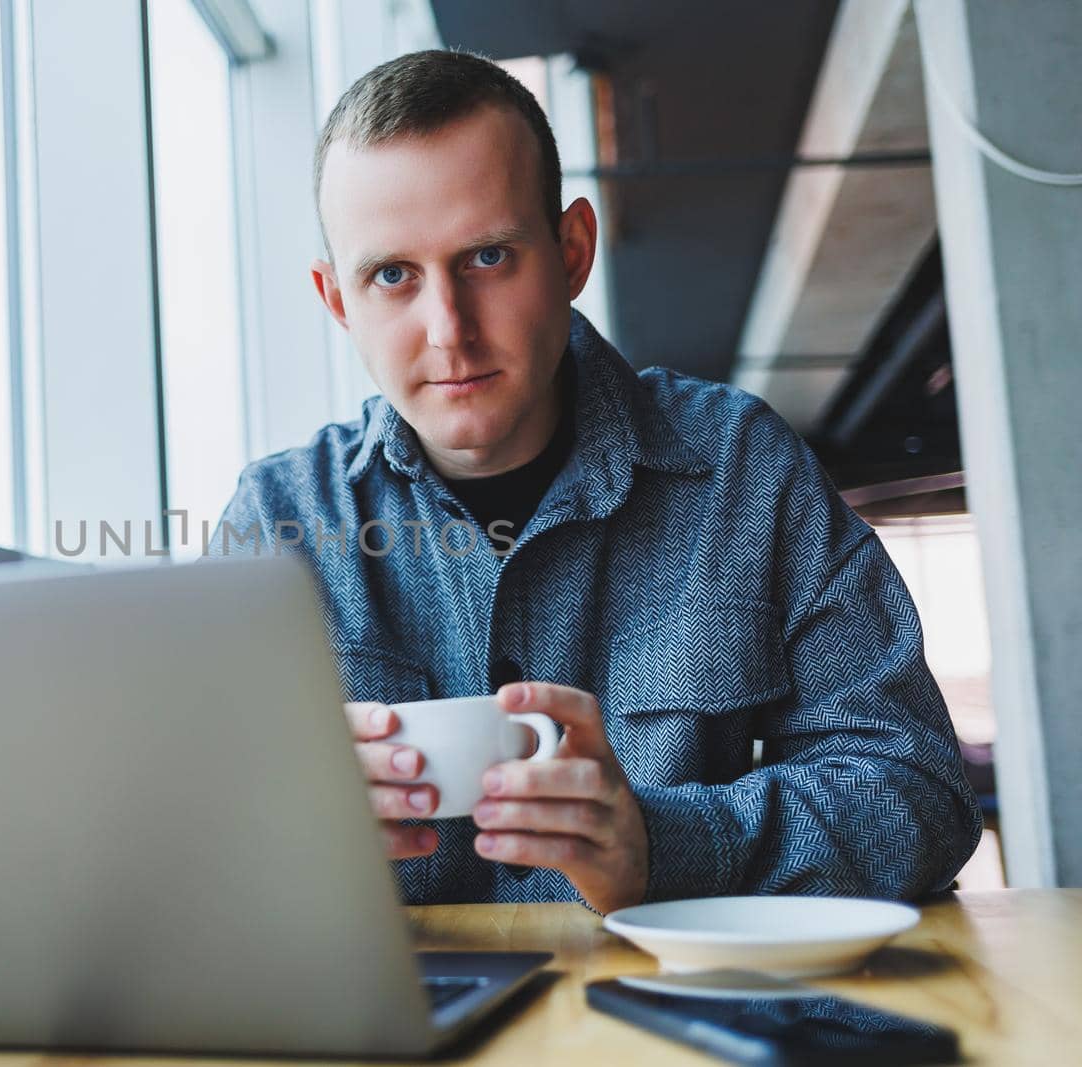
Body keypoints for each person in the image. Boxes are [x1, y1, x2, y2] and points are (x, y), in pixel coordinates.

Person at [208, 50, 982, 914]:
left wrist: (663, 844)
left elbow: (917, 793)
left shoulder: (740, 470)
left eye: (489, 257)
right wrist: (271, 832)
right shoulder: (277, 521)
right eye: (392, 275)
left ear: (571, 251)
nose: (448, 331)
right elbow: (182, 849)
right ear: (337, 300)